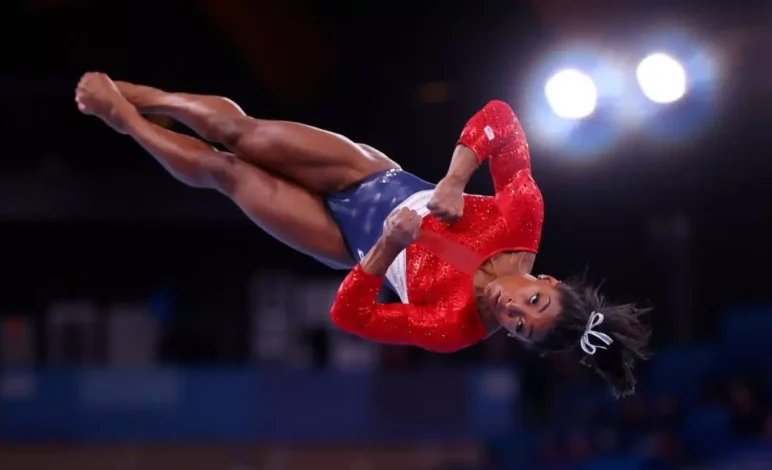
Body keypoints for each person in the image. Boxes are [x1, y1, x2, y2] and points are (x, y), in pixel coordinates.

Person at [75, 72, 651, 397]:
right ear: (546, 279)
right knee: (240, 132)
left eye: (521, 328)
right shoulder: (521, 216)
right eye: (533, 301)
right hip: (372, 177)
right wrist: (454, 180)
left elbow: (351, 318)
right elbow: (500, 117)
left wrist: (386, 248)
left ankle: (121, 120)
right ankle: (141, 97)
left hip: (341, 239)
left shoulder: (455, 327)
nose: (512, 310)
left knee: (227, 172)